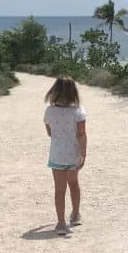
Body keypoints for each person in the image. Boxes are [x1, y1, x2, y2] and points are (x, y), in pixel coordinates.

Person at [44, 76, 87, 236]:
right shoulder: (79, 111)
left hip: (57, 155)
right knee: (74, 184)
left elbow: (49, 132)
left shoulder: (49, 111)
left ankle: (61, 223)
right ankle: (75, 215)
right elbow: (82, 134)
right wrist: (83, 153)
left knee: (59, 189)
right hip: (73, 154)